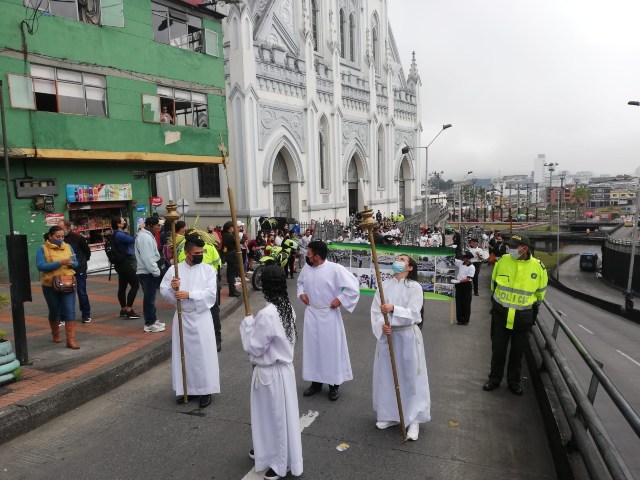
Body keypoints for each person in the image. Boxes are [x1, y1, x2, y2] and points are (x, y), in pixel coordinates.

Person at [240, 266, 303, 480]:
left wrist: (248, 325)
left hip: (270, 373)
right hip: (283, 372)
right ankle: (265, 450)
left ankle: (279, 462)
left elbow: (255, 347)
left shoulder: (267, 314)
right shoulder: (286, 306)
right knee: (269, 417)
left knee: (275, 418)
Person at [370, 255, 430, 441]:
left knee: (410, 376)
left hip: (407, 336)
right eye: (397, 258)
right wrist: (382, 325)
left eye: (402, 258)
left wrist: (394, 309)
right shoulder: (384, 286)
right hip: (388, 336)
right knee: (387, 374)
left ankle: (413, 419)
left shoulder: (415, 287)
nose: (397, 260)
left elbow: (414, 313)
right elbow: (375, 310)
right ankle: (390, 415)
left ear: (410, 267)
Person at [484, 234, 548, 395]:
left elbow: (540, 295)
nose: (509, 249)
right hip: (500, 315)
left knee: (517, 353)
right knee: (498, 350)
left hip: (522, 318)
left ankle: (514, 381)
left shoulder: (538, 268)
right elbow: (494, 285)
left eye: (513, 247)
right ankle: (494, 378)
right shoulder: (503, 261)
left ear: (524, 249)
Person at [296, 240, 360, 401]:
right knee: (313, 350)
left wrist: (340, 299)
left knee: (330, 350)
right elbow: (300, 283)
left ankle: (333, 385)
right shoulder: (307, 268)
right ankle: (316, 383)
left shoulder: (335, 269)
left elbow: (353, 286)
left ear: (317, 256)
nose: (307, 255)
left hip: (329, 314)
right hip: (312, 313)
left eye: (309, 252)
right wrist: (301, 293)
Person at [160, 234, 219, 409]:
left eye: (202, 251)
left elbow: (211, 295)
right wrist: (173, 287)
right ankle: (188, 388)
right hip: (182, 317)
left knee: (202, 355)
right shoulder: (175, 270)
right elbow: (164, 291)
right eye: (197, 252)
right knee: (184, 354)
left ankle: (206, 390)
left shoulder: (208, 270)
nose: (200, 254)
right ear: (187, 253)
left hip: (200, 318)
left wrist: (189, 295)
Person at [178, 229, 223, 352]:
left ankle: (216, 340)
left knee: (213, 312)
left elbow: (217, 262)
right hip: (196, 287)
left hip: (207, 284)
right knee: (211, 313)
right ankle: (210, 340)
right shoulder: (185, 249)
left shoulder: (187, 248)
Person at [36, 226, 80, 349]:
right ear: (50, 236)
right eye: (58, 237)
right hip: (50, 285)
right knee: (54, 310)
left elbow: (76, 263)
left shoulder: (68, 247)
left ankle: (70, 340)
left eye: (62, 236)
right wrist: (60, 263)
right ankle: (55, 333)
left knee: (69, 310)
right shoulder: (42, 249)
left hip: (68, 283)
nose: (61, 239)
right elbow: (40, 266)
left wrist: (72, 263)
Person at [135, 217, 165, 333]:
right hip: (147, 273)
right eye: (157, 225)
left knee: (151, 297)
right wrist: (156, 272)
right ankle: (149, 323)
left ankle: (153, 319)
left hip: (148, 272)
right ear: (150, 226)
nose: (159, 227)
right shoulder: (145, 238)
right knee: (149, 298)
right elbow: (148, 258)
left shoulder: (146, 236)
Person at [59, 220, 92, 323]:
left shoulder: (78, 238)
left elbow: (87, 252)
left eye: (61, 228)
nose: (60, 231)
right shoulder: (59, 240)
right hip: (66, 271)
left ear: (68, 227)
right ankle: (64, 317)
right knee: (64, 293)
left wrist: (81, 263)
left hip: (79, 270)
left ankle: (86, 315)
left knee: (81, 292)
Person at [111, 216, 140, 319]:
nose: (125, 222)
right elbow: (133, 240)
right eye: (123, 221)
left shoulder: (115, 234)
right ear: (119, 224)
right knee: (135, 285)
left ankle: (123, 309)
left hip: (120, 263)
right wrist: (139, 231)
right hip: (125, 262)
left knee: (122, 286)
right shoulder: (119, 235)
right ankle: (129, 309)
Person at [452, 252, 475, 325]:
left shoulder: (471, 267)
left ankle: (465, 320)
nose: (462, 258)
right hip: (459, 285)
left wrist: (458, 281)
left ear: (468, 259)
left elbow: (468, 279)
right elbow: (453, 260)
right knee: (459, 302)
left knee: (466, 303)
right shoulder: (461, 263)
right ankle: (459, 320)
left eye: (464, 257)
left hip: (466, 285)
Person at [222, 221, 242, 297]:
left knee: (231, 273)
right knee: (231, 274)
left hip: (230, 255)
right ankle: (232, 291)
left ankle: (233, 290)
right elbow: (240, 241)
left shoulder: (226, 235)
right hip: (231, 255)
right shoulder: (229, 236)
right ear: (230, 228)